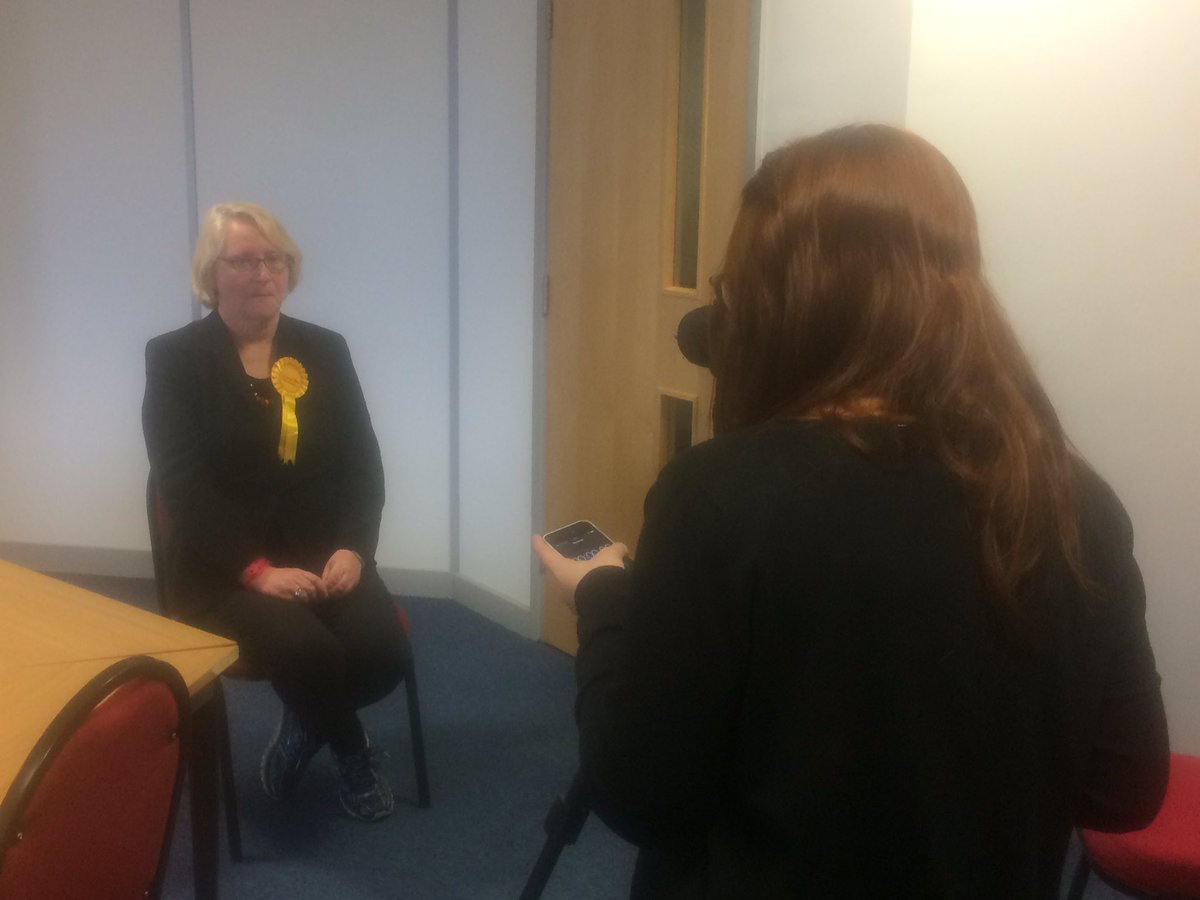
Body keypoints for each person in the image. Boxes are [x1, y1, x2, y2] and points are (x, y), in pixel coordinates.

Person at [533, 124, 1169, 898]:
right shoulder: (1072, 500)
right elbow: (1124, 786)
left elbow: (645, 796)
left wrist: (602, 597)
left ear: (778, 304)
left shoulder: (723, 497)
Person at [143, 202, 410, 822]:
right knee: (308, 652)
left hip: (323, 552)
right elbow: (183, 489)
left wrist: (354, 548)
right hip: (222, 570)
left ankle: (307, 720)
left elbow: (363, 465)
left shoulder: (325, 348)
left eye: (275, 259)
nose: (263, 272)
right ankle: (350, 749)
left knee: (384, 652)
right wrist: (256, 570)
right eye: (243, 261)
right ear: (212, 274)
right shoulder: (174, 358)